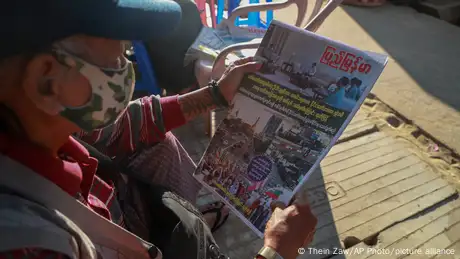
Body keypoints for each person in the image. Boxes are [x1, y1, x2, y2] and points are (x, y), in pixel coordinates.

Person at [0, 1, 317, 258]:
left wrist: (216, 94)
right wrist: (276, 252)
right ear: (47, 79)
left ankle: (191, 226)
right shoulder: (32, 243)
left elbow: (124, 126)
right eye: (118, 45)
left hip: (125, 221)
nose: (126, 58)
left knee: (158, 144)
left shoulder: (34, 123)